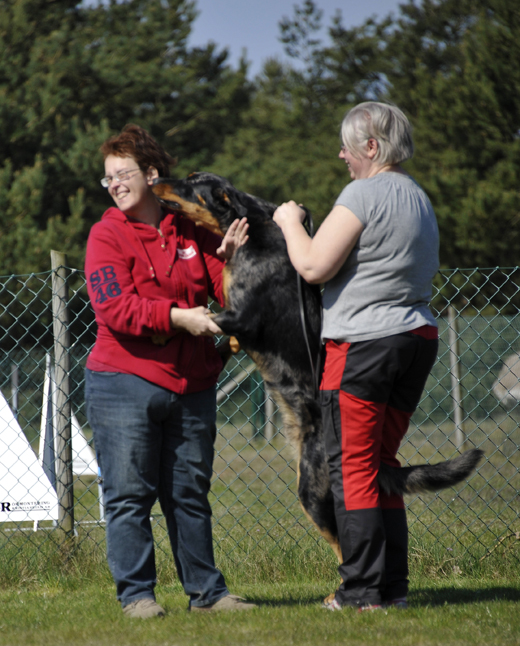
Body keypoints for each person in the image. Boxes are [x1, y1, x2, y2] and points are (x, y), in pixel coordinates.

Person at [273, 102, 439, 611]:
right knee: (381, 465)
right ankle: (393, 588)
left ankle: (362, 590)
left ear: (371, 147)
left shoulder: (363, 193)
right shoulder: (417, 196)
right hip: (415, 338)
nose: (341, 154)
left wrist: (289, 221)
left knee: (352, 468)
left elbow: (314, 265)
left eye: (348, 145)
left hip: (364, 346)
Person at [84, 124, 254, 618]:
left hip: (192, 382)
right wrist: (177, 317)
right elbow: (115, 308)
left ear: (152, 174)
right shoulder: (106, 234)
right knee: (129, 496)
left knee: (188, 495)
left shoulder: (191, 228)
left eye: (123, 174)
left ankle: (209, 594)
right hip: (123, 382)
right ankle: (137, 595)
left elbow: (227, 298)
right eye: (108, 178)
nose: (114, 184)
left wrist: (231, 262)